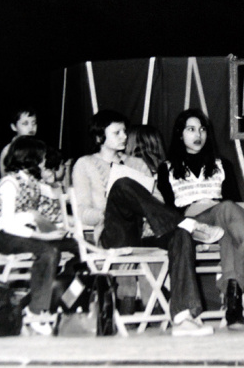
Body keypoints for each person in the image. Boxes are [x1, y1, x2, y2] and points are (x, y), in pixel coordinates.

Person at [71, 110, 222, 336]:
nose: (125, 136)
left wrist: (147, 211)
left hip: (146, 231)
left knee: (180, 235)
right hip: (113, 232)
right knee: (122, 185)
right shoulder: (84, 164)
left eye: (125, 131)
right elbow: (82, 212)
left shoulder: (137, 163)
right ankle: (185, 223)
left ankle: (183, 317)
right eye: (117, 132)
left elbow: (158, 200)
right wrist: (109, 211)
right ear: (99, 137)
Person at [157, 108, 244, 331]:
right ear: (180, 134)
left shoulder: (222, 165)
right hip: (190, 226)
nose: (198, 134)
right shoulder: (166, 168)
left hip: (221, 220)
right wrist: (197, 207)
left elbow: (234, 203)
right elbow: (169, 210)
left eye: (202, 129)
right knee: (227, 211)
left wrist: (215, 205)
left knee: (230, 227)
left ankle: (233, 309)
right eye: (191, 129)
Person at [0, 136, 78, 335]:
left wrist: (56, 227)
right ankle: (37, 311)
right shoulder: (8, 183)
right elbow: (8, 224)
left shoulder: (33, 182)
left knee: (77, 247)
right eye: (42, 157)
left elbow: (54, 197)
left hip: (30, 235)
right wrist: (43, 236)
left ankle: (47, 298)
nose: (45, 161)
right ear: (31, 157)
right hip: (5, 236)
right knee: (48, 251)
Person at [0, 107, 38, 176]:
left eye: (34, 123)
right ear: (14, 127)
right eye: (25, 123)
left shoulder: (38, 148)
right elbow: (5, 177)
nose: (31, 127)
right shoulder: (8, 150)